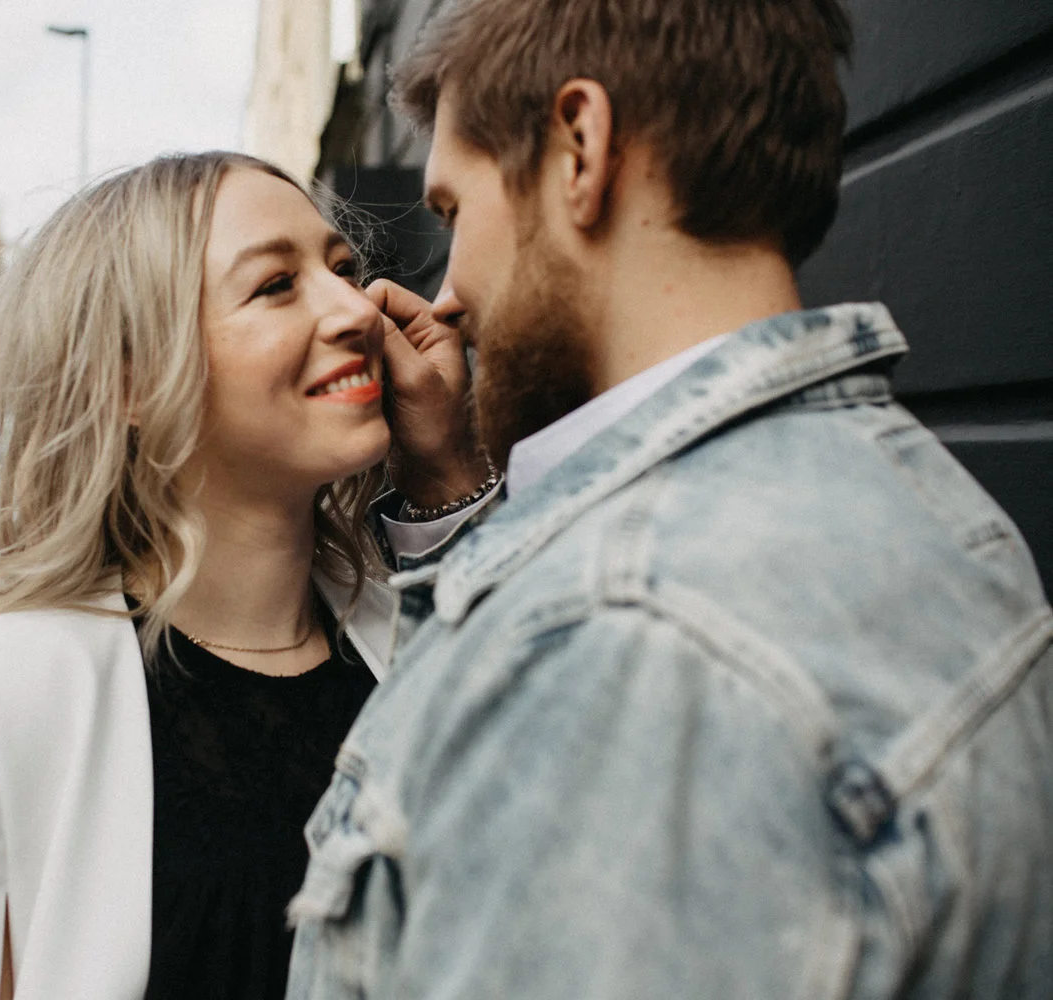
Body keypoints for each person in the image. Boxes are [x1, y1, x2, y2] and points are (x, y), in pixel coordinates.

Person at [286, 1, 1053, 998]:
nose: (446, 297)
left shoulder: (628, 640)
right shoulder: (925, 502)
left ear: (579, 147)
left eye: (452, 213)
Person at [0, 152, 488, 1000]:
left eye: (342, 269)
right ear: (131, 379)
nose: (357, 310)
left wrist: (446, 474)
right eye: (275, 286)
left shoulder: (410, 645)